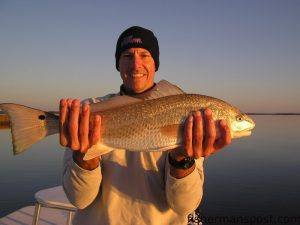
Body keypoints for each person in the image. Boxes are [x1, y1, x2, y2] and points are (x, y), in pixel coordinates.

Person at [60, 26, 231, 225]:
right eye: (127, 55)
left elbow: (184, 206)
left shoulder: (189, 114)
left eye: (144, 55)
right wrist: (83, 157)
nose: (136, 64)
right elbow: (79, 199)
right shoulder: (89, 112)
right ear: (118, 63)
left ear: (155, 64)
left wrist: (181, 159)